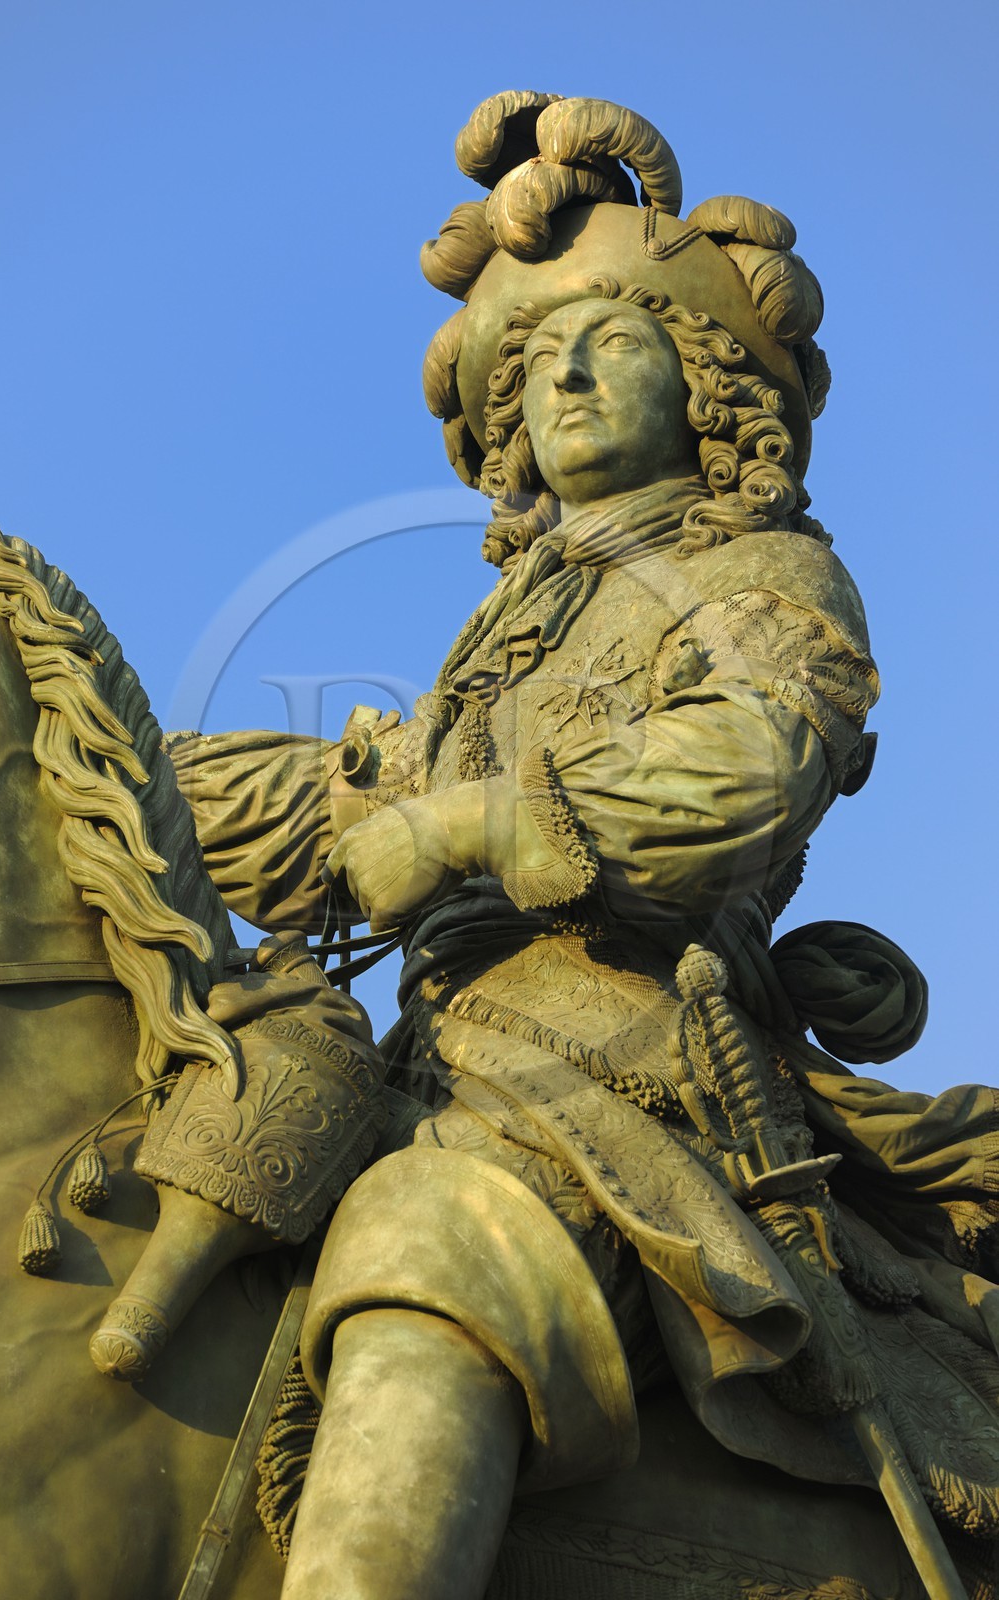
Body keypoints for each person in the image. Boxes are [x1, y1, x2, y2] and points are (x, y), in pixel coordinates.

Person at [167, 94, 999, 1600]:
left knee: (433, 1236)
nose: (560, 376)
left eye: (606, 340)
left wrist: (478, 822)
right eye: (534, 358)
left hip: (624, 1074)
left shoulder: (765, 572)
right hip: (430, 1058)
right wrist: (107, 761)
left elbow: (750, 761)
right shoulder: (498, 637)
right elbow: (351, 808)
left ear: (705, 388)